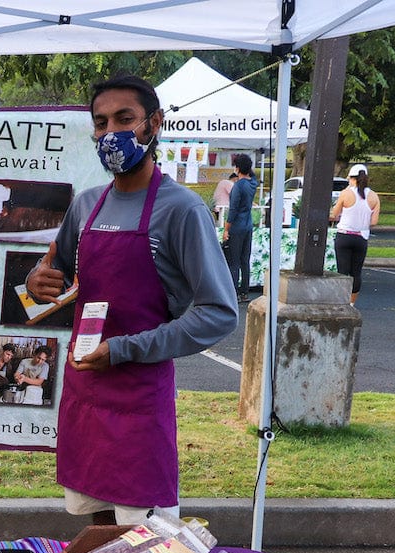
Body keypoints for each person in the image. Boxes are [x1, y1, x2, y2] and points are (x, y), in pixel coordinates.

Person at [25, 74, 238, 525]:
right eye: (100, 123)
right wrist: (36, 281)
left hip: (139, 400)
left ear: (154, 124)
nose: (110, 133)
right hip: (85, 392)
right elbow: (51, 275)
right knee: (96, 528)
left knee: (146, 546)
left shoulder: (182, 210)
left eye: (125, 119)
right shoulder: (85, 206)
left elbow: (218, 313)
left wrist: (124, 349)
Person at [331, 164, 381, 305]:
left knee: (342, 271)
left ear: (352, 179)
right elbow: (374, 221)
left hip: (344, 235)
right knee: (356, 272)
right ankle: (352, 303)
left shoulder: (346, 194)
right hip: (361, 237)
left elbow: (334, 214)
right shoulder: (374, 196)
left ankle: (340, 301)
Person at [222, 154, 258, 302]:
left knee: (234, 262)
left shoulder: (238, 186)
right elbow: (252, 174)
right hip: (248, 225)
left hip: (236, 226)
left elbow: (233, 211)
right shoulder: (253, 183)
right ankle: (244, 292)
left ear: (237, 168)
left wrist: (226, 229)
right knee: (245, 260)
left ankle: (233, 293)